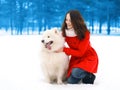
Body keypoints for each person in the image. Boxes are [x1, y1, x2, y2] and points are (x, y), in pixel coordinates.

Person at [56, 10, 99, 84]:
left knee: (76, 72)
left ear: (76, 21)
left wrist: (64, 50)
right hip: (75, 58)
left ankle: (89, 75)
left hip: (87, 56)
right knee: (70, 80)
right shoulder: (65, 32)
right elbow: (57, 39)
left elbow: (81, 53)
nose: (67, 22)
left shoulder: (85, 33)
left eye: (70, 20)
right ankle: (81, 74)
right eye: (66, 20)